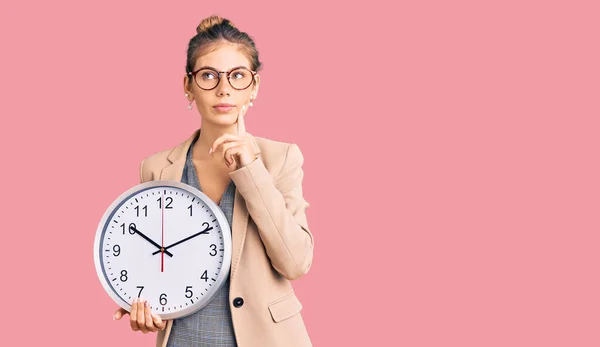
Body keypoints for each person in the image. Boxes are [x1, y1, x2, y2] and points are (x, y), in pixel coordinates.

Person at [111, 15, 314, 347]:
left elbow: (295, 262)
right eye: (208, 75)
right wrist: (141, 300)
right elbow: (153, 258)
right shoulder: (157, 167)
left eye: (237, 76)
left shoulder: (281, 158)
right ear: (188, 86)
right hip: (184, 338)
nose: (224, 89)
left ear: (254, 86)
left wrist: (251, 171)